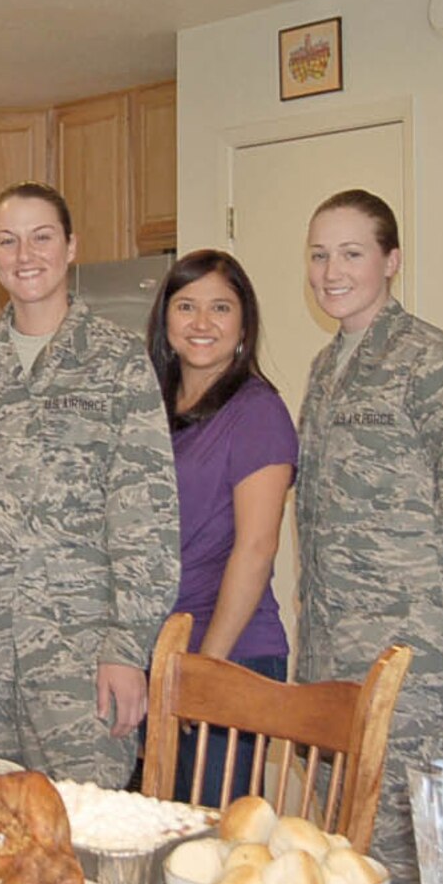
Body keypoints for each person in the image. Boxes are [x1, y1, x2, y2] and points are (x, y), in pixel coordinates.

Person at [295, 188, 443, 884]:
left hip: (414, 661)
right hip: (335, 655)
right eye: (320, 254)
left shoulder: (431, 361)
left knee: (424, 863)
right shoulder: (326, 370)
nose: (333, 271)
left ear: (391, 261)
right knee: (347, 853)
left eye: (352, 253)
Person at [0, 182, 180, 787]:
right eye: (8, 242)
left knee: (82, 836)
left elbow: (147, 518)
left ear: (70, 249)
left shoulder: (117, 361)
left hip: (77, 653)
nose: (24, 255)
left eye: (42, 238)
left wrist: (126, 648)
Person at [145, 249, 296, 801]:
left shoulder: (258, 412)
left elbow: (256, 547)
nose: (201, 323)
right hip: (161, 655)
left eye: (220, 308)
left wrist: (206, 669)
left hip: (229, 654)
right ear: (165, 319)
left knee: (213, 848)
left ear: (244, 324)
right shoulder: (152, 406)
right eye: (186, 306)